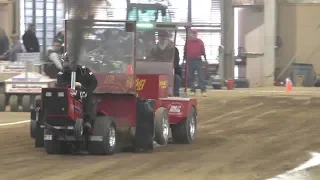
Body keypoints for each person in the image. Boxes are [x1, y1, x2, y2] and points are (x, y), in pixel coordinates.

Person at [57, 53, 98, 129]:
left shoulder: (84, 70)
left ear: (73, 62)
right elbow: (60, 85)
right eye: (64, 62)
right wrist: (71, 86)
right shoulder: (61, 74)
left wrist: (86, 91)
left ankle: (88, 121)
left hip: (83, 93)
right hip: (67, 94)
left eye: (67, 62)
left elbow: (94, 82)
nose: (65, 64)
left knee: (92, 99)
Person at [184, 29, 208, 97]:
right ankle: (192, 90)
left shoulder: (200, 42)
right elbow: (185, 51)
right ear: (191, 34)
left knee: (201, 76)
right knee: (190, 76)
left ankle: (203, 90)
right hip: (190, 60)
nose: (194, 35)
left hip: (198, 60)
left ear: (197, 34)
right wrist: (184, 60)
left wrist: (205, 59)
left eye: (195, 33)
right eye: (193, 33)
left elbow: (203, 51)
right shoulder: (188, 42)